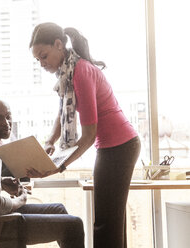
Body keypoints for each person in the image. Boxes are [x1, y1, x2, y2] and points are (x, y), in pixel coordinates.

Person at [28, 22, 141, 248]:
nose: (41, 63)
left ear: (59, 45)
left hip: (120, 146)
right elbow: (62, 113)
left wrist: (58, 166)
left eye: (44, 56)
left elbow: (89, 135)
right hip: (111, 146)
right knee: (109, 220)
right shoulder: (67, 72)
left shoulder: (80, 72)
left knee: (107, 222)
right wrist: (50, 141)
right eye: (37, 60)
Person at [0, 98, 84, 247]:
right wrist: (21, 199)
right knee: (74, 225)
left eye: (8, 116)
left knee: (59, 209)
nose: (6, 122)